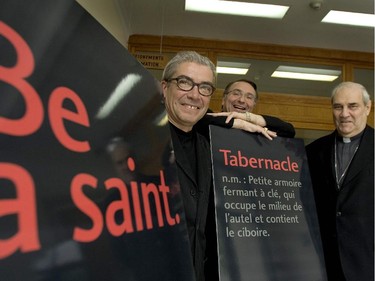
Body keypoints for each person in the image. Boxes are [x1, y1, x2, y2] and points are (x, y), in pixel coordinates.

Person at [305, 81, 374, 281]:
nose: (344, 114)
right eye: (338, 107)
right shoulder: (313, 151)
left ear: (367, 108)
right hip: (323, 265)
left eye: (352, 106)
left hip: (368, 265)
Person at [196, 79, 295, 139]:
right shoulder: (205, 121)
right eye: (236, 93)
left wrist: (252, 119)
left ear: (254, 104)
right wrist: (241, 123)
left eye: (249, 97)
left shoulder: (259, 131)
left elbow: (289, 131)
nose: (242, 100)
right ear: (223, 99)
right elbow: (199, 118)